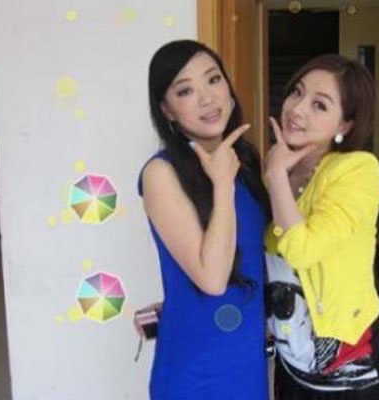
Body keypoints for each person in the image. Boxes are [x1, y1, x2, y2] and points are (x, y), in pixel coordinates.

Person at [264, 54, 379, 399]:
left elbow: (302, 251)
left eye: (320, 105)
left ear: (345, 125)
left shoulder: (357, 169)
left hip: (353, 379)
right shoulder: (281, 168)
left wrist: (275, 177)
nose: (297, 109)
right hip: (292, 371)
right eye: (297, 92)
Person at [138, 40, 269, 400]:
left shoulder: (244, 161)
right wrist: (222, 185)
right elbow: (212, 279)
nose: (207, 99)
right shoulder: (161, 173)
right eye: (185, 91)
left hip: (246, 358)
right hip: (196, 368)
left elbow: (254, 256)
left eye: (213, 79)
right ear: (167, 110)